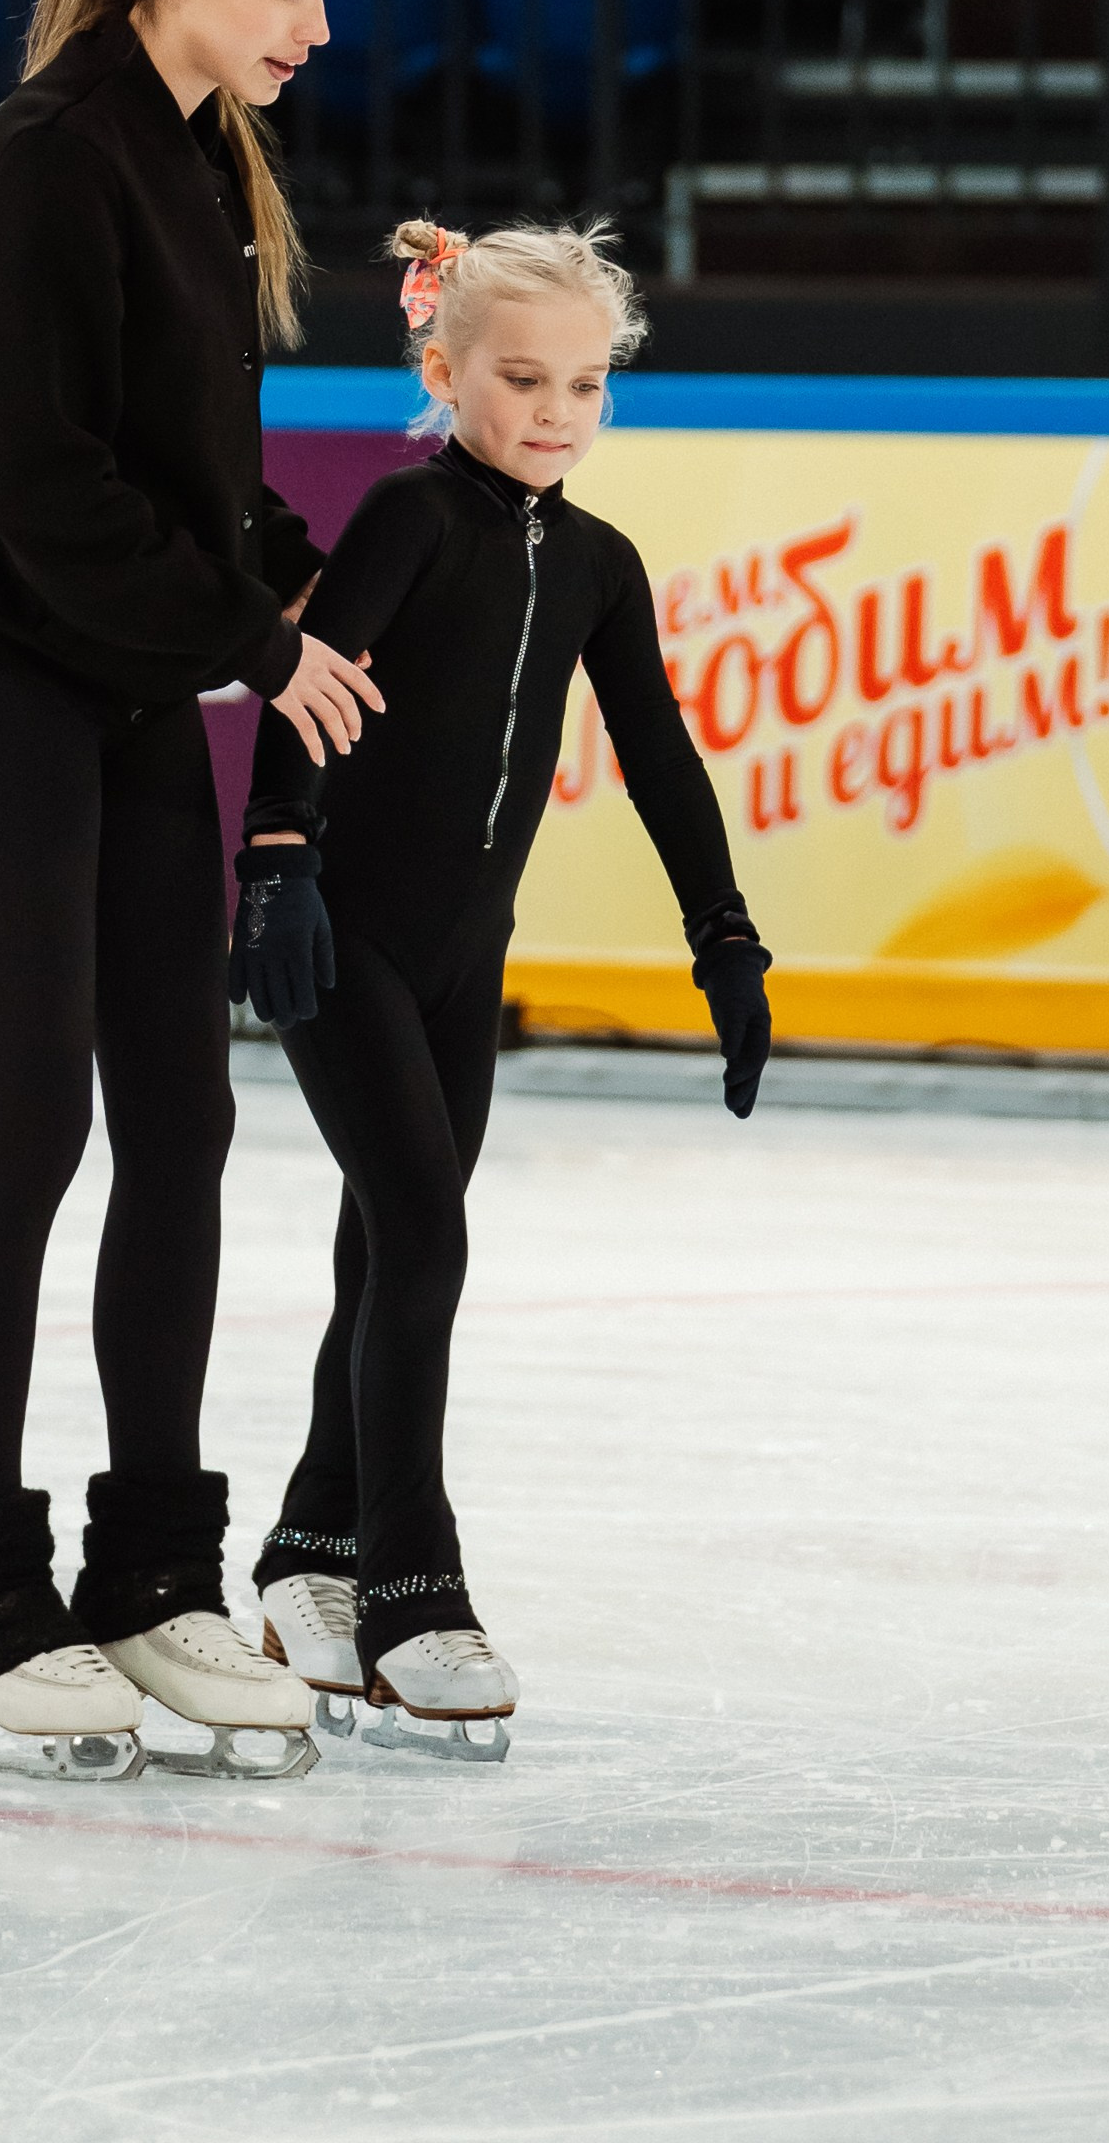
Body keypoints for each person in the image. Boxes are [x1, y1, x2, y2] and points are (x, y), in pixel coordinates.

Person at [0, 0, 383, 1784]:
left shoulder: (195, 158)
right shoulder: (43, 164)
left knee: (184, 1120)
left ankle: (154, 1575)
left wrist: (321, 574)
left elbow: (182, 470)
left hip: (120, 691)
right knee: (33, 1124)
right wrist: (255, 640)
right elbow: (48, 493)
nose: (311, 27)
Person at [230, 219, 772, 1761]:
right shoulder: (407, 517)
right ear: (444, 369)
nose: (553, 411)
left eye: (585, 385)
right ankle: (410, 1587)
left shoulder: (599, 563)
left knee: (385, 1244)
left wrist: (724, 937)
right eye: (521, 378)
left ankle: (308, 1557)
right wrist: (275, 865)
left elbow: (659, 753)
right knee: (422, 1230)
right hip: (344, 939)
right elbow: (308, 683)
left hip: (471, 955)